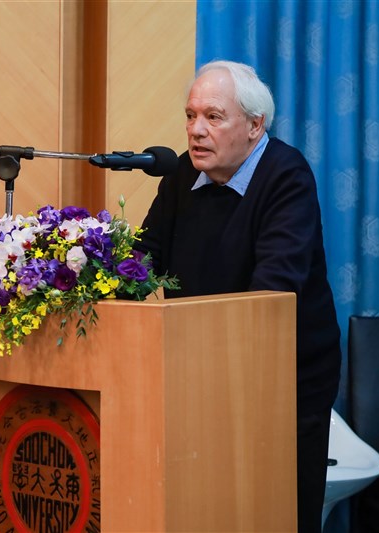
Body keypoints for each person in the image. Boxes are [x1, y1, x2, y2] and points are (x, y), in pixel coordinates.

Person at [137, 60, 341, 533]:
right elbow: (144, 257)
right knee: (209, 501)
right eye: (190, 116)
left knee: (278, 505)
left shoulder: (287, 175)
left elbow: (274, 286)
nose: (195, 131)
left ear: (254, 125)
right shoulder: (182, 175)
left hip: (286, 377)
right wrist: (92, 279)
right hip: (198, 371)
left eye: (213, 116)